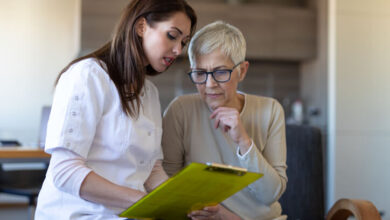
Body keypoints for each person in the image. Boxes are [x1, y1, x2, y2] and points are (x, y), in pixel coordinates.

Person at [35, 0, 196, 219]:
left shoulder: (149, 92)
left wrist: (179, 203)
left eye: (184, 42)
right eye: (172, 35)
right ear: (141, 27)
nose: (178, 49)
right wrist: (143, 201)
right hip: (78, 213)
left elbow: (151, 170)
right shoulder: (88, 75)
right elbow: (65, 172)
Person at [162, 21, 288, 220]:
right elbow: (166, 188)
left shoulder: (270, 110)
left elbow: (270, 195)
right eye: (200, 73)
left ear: (242, 71)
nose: (210, 84)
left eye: (220, 72)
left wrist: (244, 142)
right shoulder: (180, 110)